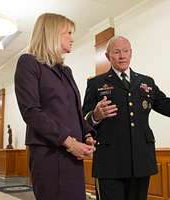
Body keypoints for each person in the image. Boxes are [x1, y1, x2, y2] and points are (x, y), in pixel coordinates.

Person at [14, 13, 96, 200]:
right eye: (68, 32)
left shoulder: (66, 71)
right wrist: (70, 142)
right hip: (49, 153)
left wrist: (87, 135)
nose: (72, 38)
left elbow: (75, 110)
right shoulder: (28, 62)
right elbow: (31, 112)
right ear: (52, 33)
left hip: (72, 154)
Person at [82, 36, 170, 200]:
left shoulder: (146, 82)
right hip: (110, 161)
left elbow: (165, 105)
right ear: (108, 56)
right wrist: (95, 116)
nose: (122, 56)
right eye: (116, 52)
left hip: (141, 159)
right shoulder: (96, 83)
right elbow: (82, 121)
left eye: (125, 51)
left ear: (131, 53)